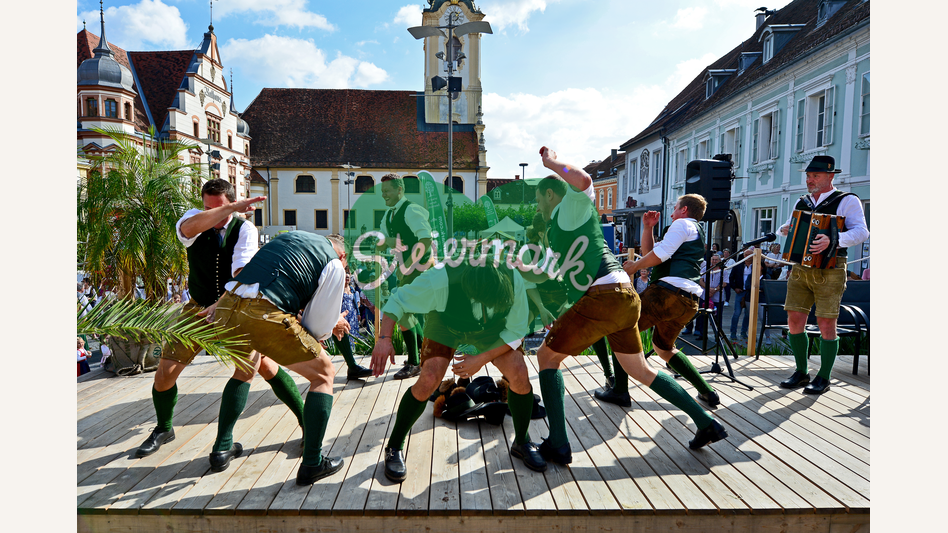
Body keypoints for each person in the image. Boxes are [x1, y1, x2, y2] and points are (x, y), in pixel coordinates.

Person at [530, 147, 726, 465]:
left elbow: (582, 179)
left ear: (551, 195)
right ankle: (706, 422)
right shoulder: (560, 227)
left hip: (605, 295)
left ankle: (558, 443)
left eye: (539, 200)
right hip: (624, 295)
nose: (537, 207)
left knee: (547, 357)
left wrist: (550, 162)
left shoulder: (568, 209)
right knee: (640, 370)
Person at [135, 179, 306, 477]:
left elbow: (242, 271)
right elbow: (188, 231)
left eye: (221, 207)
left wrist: (224, 303)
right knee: (165, 374)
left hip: (237, 307)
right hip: (197, 307)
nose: (214, 213)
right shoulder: (192, 219)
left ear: (232, 202)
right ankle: (164, 428)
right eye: (208, 207)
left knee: (252, 369)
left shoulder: (246, 229)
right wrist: (228, 209)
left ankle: (224, 442)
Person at [370, 259, 545, 482]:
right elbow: (397, 300)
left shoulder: (513, 277)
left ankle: (522, 440)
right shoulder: (439, 279)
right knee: (430, 378)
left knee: (519, 372)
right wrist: (384, 338)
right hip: (447, 322)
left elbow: (516, 331)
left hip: (492, 328)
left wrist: (480, 359)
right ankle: (394, 446)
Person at [201, 231, 352, 485]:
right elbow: (318, 326)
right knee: (324, 373)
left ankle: (222, 448)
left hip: (227, 307)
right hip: (262, 313)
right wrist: (332, 325)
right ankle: (313, 463)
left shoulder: (288, 238)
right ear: (343, 255)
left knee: (246, 367)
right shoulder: (334, 263)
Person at [599, 194, 724, 411]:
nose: (672, 211)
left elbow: (660, 255)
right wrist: (648, 228)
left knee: (621, 330)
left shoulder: (681, 224)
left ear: (684, 209)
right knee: (663, 347)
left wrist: (635, 267)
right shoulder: (695, 229)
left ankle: (620, 390)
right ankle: (707, 392)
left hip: (667, 294)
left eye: (675, 207)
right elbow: (652, 254)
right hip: (688, 301)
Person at [776, 155, 869, 395]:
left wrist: (834, 240)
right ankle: (801, 371)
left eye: (815, 175)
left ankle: (824, 377)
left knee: (827, 321)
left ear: (830, 176)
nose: (809, 180)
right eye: (808, 176)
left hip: (831, 267)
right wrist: (784, 230)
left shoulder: (847, 200)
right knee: (794, 319)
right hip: (800, 268)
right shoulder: (803, 201)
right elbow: (786, 225)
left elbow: (862, 232)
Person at [377, 173, 431, 380]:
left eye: (387, 191)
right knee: (407, 313)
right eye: (382, 192)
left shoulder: (411, 210)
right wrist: (387, 241)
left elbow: (425, 239)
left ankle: (415, 362)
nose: (384, 196)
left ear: (400, 190)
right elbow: (382, 240)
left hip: (420, 269)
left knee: (400, 309)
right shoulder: (389, 214)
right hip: (405, 270)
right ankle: (418, 356)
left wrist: (408, 264)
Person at [694, 253, 727, 341]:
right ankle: (702, 334)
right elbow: (700, 280)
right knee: (702, 317)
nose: (714, 261)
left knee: (717, 318)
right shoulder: (705, 269)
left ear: (719, 260)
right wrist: (708, 289)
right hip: (705, 296)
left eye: (716, 260)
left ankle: (717, 335)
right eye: (713, 259)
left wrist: (715, 290)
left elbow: (724, 283)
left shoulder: (723, 270)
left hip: (718, 297)